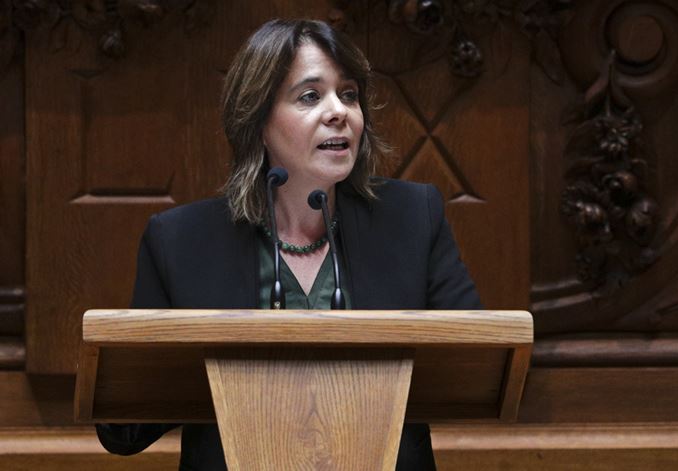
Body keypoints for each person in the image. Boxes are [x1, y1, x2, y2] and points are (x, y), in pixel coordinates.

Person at [94, 18, 481, 471]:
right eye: (310, 96)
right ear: (258, 122)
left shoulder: (413, 217)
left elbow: (472, 364)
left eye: (349, 94)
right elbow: (125, 427)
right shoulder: (182, 241)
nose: (339, 111)